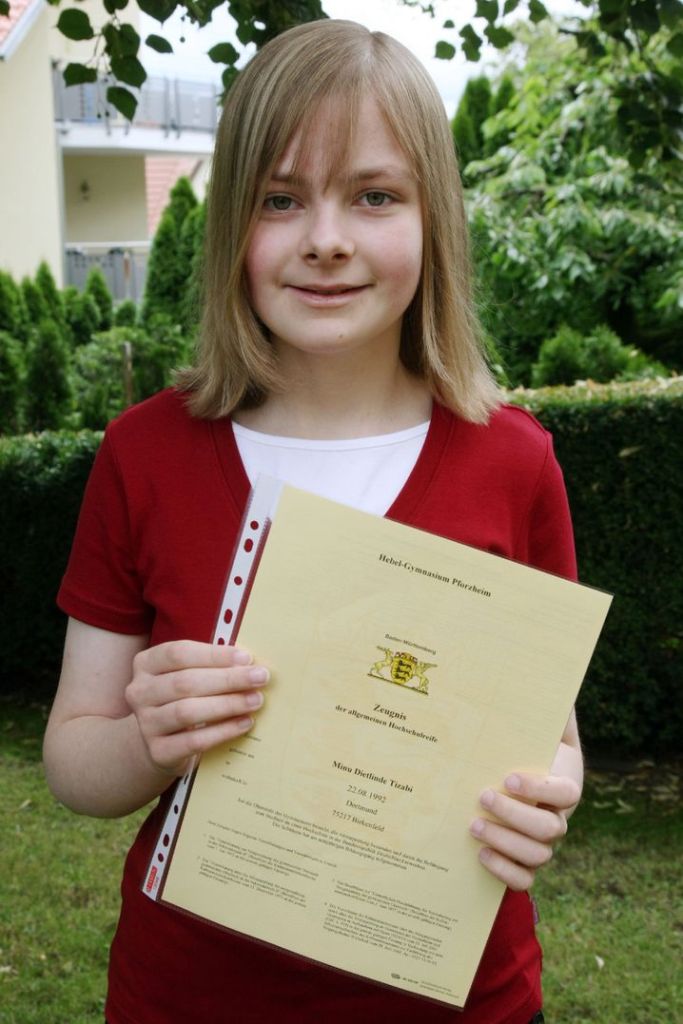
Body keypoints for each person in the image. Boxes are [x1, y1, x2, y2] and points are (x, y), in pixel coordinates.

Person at [43, 19, 582, 1024]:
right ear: (231, 228)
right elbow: (74, 758)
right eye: (280, 199)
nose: (325, 239)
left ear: (433, 218)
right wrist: (151, 740)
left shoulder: (513, 461)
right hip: (193, 996)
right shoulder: (144, 454)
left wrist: (546, 796)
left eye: (373, 196)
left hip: (463, 997)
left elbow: (553, 737)